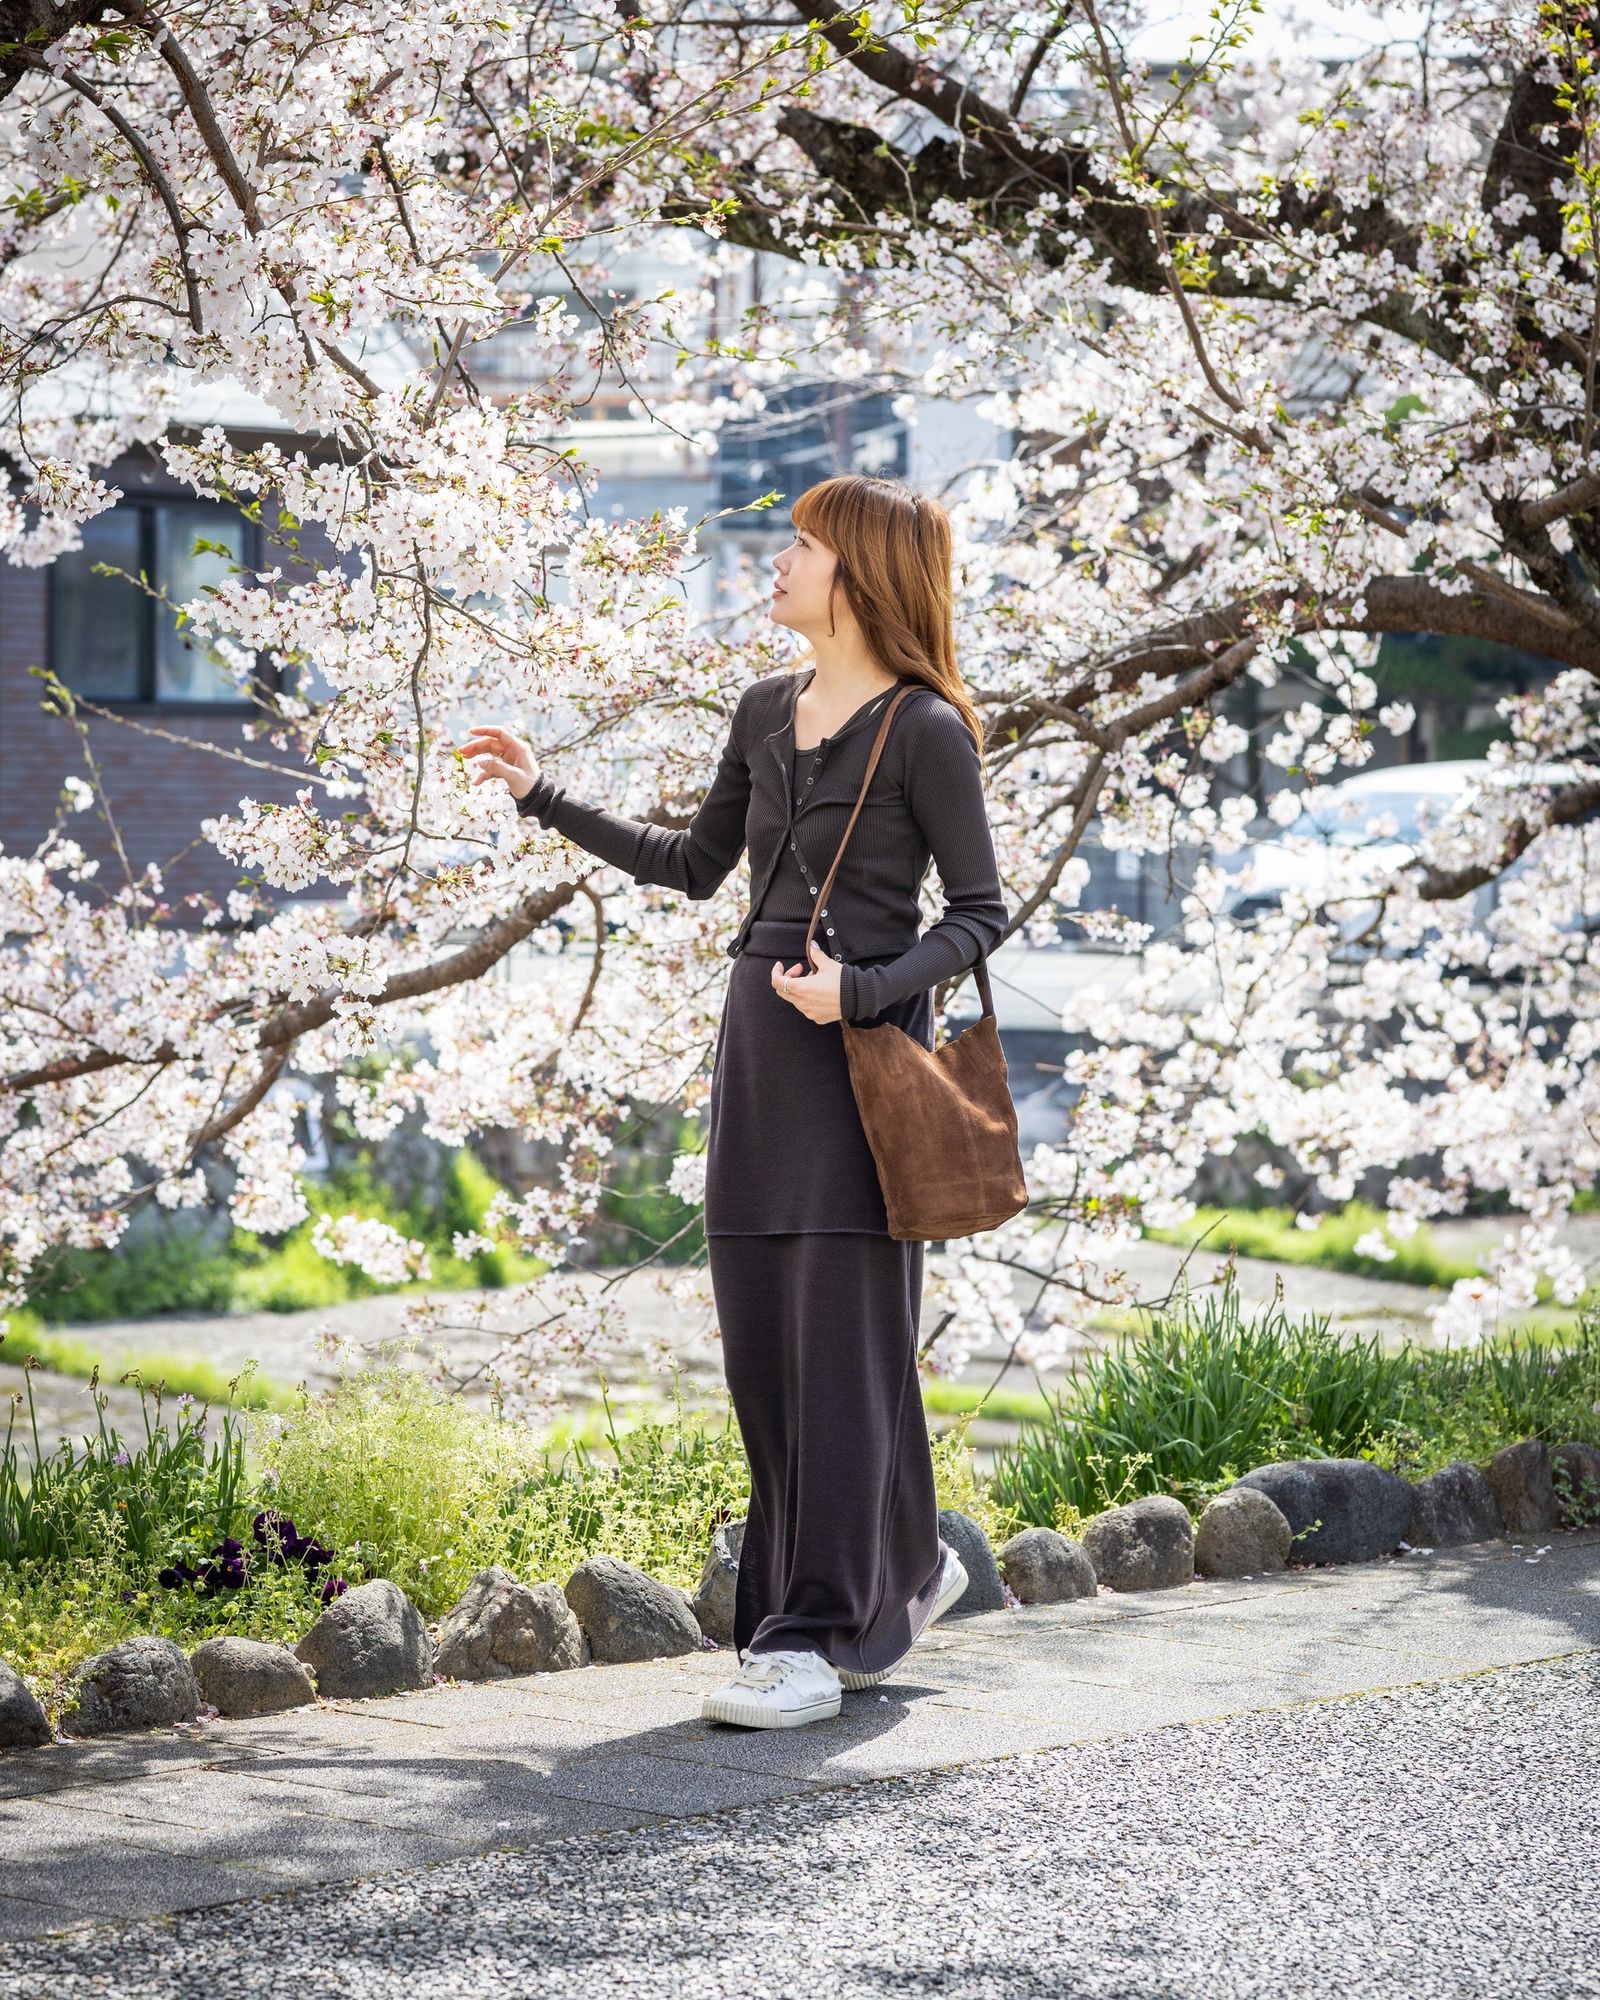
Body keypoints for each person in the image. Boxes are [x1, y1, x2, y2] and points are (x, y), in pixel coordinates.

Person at [456, 473, 1009, 1729]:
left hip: (862, 1073)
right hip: (757, 1064)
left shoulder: (926, 727)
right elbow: (695, 867)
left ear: (858, 574)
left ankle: (809, 1635)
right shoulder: (765, 708)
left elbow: (979, 914)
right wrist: (545, 795)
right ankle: (898, 1576)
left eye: (801, 547)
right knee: (768, 1353)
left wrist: (864, 988)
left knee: (849, 1354)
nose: (779, 561)